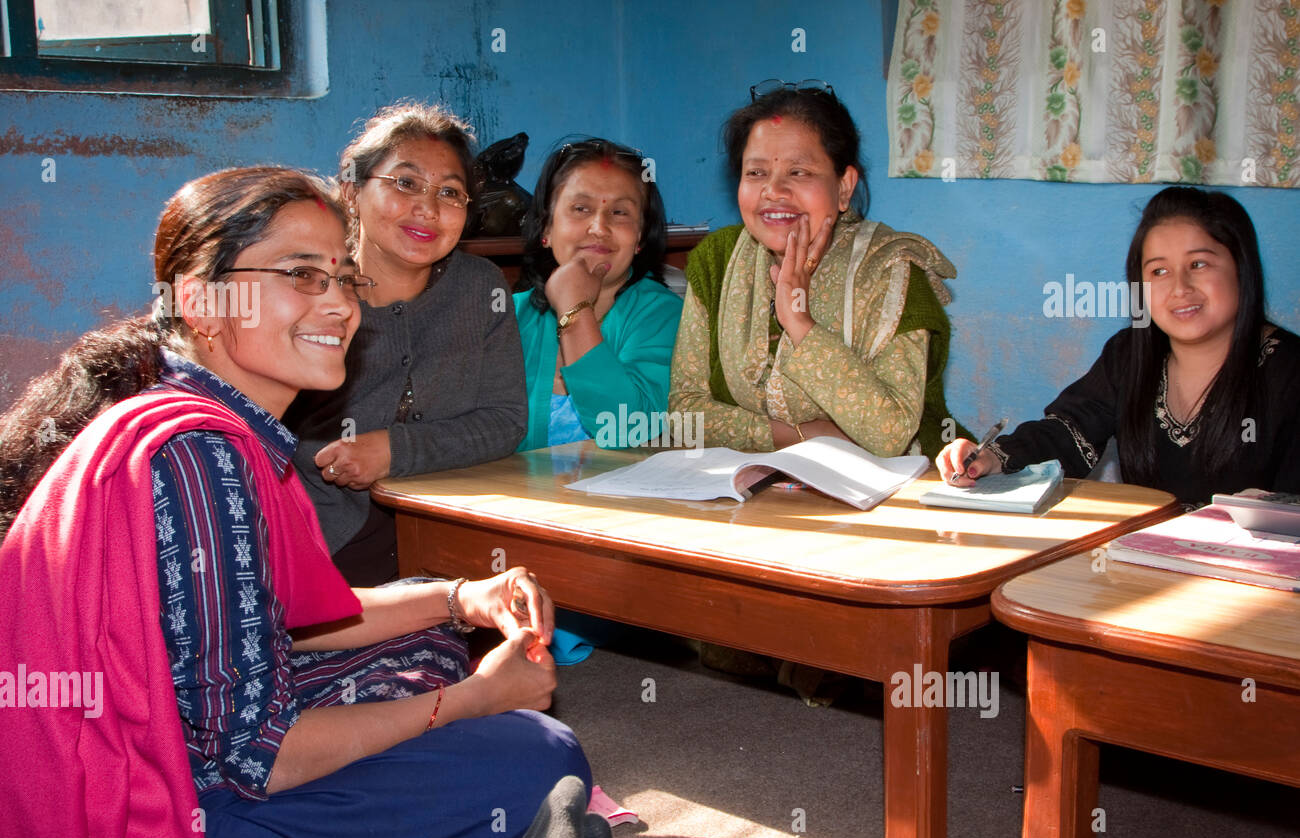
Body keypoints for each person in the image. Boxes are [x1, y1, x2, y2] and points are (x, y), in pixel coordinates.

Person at [0, 166, 617, 838]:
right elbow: (260, 759)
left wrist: (460, 598)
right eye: (301, 275)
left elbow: (292, 615)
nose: (339, 305)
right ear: (201, 302)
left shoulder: (200, 419)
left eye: (343, 278)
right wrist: (477, 698)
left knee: (431, 651)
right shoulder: (204, 455)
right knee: (536, 752)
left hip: (158, 751)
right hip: (145, 824)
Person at [286, 102, 527, 586]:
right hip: (324, 523)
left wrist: (394, 449)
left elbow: (505, 420)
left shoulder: (481, 288)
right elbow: (276, 425)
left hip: (451, 510)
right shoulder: (313, 288)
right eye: (406, 183)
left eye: (450, 193)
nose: (428, 208)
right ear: (352, 191)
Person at [937, 186, 1300, 506]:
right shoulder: (1130, 355)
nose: (1179, 287)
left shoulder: (1290, 371)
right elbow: (1069, 432)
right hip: (1144, 561)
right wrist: (992, 458)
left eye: (1199, 263)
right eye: (1159, 271)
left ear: (1241, 268)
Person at [670, 80, 969, 460]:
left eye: (799, 172)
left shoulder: (892, 269)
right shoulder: (717, 260)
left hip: (895, 489)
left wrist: (798, 321)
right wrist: (798, 435)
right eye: (756, 173)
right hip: (757, 482)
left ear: (844, 187)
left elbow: (890, 434)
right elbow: (684, 415)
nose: (774, 191)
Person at [514, 138, 680, 452]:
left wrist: (575, 310)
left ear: (640, 237)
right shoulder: (508, 318)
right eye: (581, 209)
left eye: (619, 212)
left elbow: (625, 427)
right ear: (546, 228)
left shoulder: (662, 316)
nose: (599, 227)